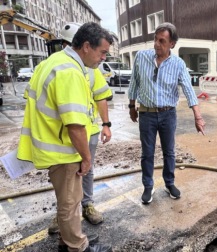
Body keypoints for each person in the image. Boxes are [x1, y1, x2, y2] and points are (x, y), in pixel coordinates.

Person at [17, 22, 113, 252]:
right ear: (87, 47)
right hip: (62, 148)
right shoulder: (70, 72)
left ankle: (66, 240)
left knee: (68, 199)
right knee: (70, 201)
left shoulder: (53, 62)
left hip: (50, 142)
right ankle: (77, 246)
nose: (103, 58)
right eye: (102, 52)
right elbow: (75, 125)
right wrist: (87, 158)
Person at [128, 22, 205, 204]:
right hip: (146, 113)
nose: (156, 44)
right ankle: (148, 186)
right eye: (155, 39)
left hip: (168, 114)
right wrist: (131, 106)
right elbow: (134, 83)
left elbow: (188, 88)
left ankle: (169, 183)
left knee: (169, 152)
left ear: (172, 44)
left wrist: (198, 115)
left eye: (162, 41)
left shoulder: (178, 64)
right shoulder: (141, 57)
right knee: (147, 153)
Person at [47, 23, 113, 235]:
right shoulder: (61, 67)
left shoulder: (92, 69)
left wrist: (105, 124)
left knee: (86, 170)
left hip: (88, 131)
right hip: (63, 135)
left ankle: (86, 205)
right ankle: (65, 214)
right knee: (65, 177)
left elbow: (101, 96)